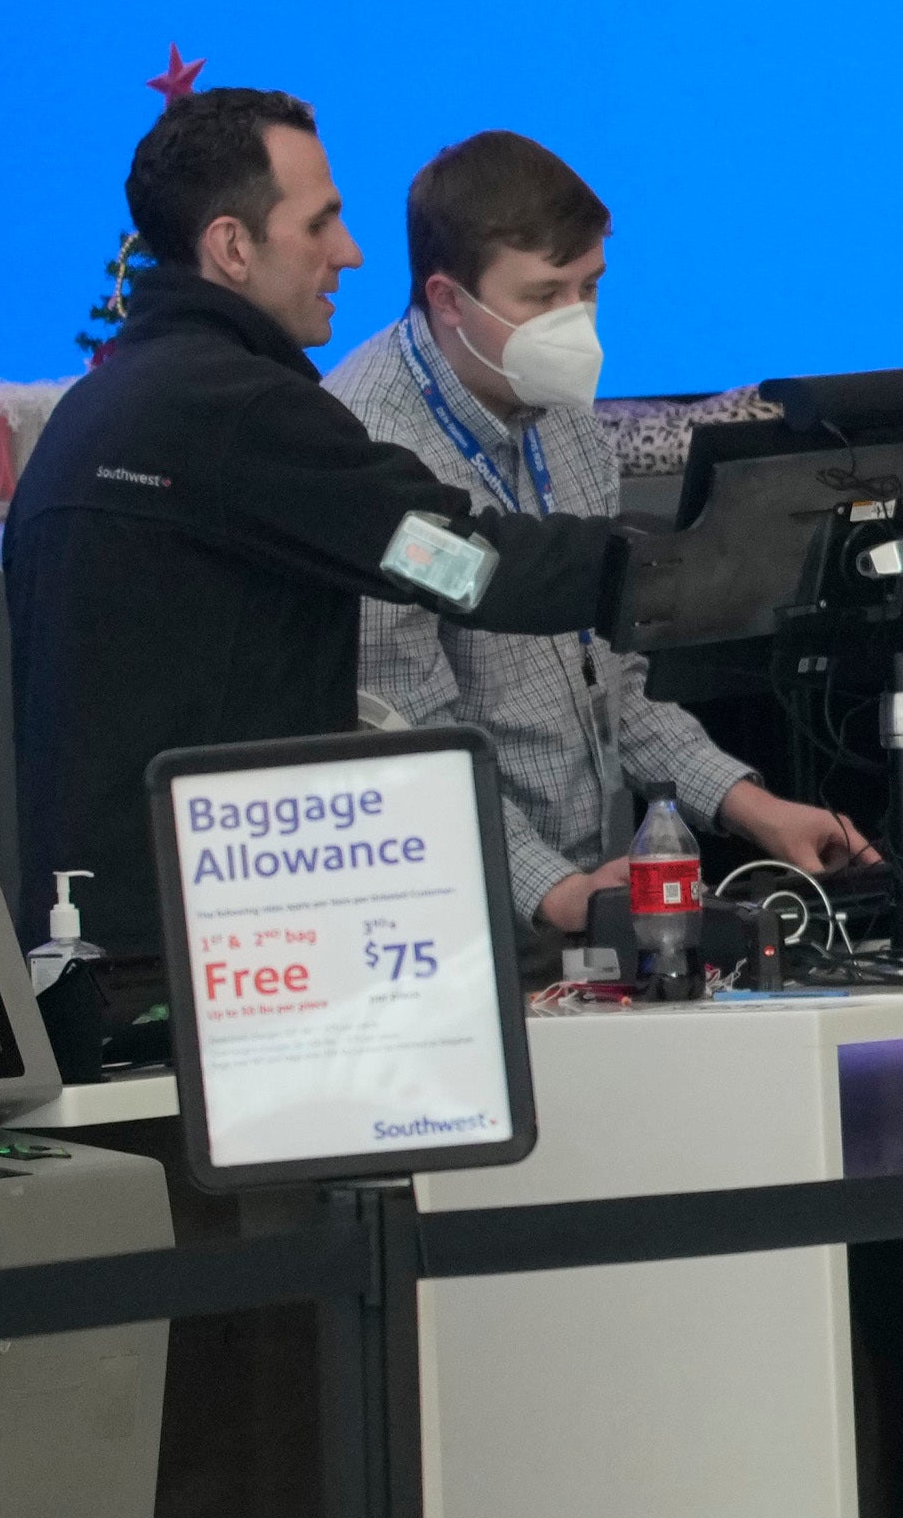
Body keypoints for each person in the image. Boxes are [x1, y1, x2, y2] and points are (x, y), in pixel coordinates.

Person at [4, 88, 635, 1074]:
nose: (352, 252)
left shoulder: (105, 405)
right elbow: (458, 563)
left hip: (93, 971)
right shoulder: (245, 418)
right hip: (214, 988)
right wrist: (663, 570)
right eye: (321, 221)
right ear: (231, 247)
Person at [333, 133, 872, 952]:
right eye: (544, 296)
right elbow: (407, 744)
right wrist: (555, 894)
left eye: (589, 290)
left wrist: (751, 807)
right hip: (442, 920)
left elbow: (613, 683)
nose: (575, 326)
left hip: (581, 906)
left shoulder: (566, 416)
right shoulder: (366, 451)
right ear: (447, 300)